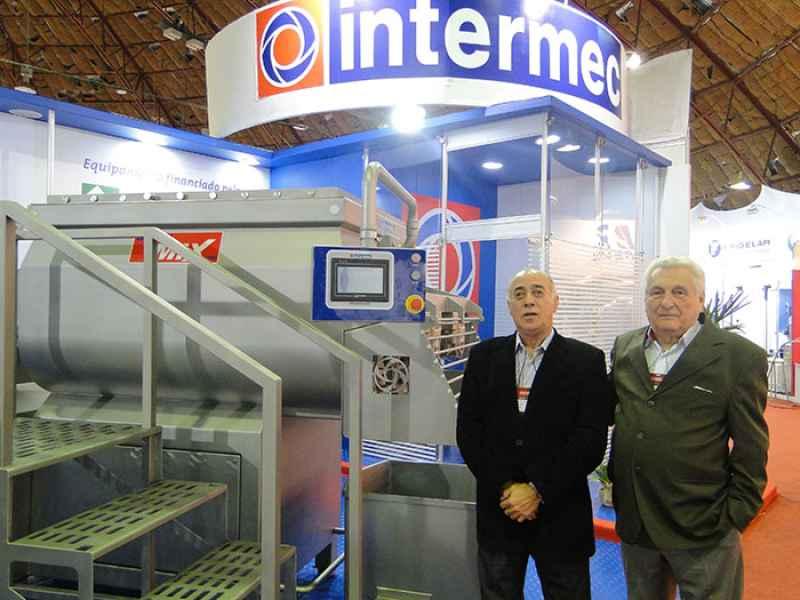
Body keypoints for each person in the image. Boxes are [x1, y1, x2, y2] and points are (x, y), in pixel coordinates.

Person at [609, 256, 769, 600]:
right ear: (645, 299)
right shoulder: (625, 347)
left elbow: (751, 446)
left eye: (679, 292)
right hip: (637, 522)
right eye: (657, 292)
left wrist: (735, 515)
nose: (667, 301)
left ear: (701, 299)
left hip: (703, 525)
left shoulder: (739, 357)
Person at [457, 268, 611, 600]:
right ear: (510, 306)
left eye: (538, 292)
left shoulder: (586, 361)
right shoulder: (483, 357)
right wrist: (507, 487)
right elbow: (469, 433)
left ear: (555, 302)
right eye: (520, 294)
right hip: (500, 510)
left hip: (561, 514)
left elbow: (590, 439)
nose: (529, 301)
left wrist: (538, 488)